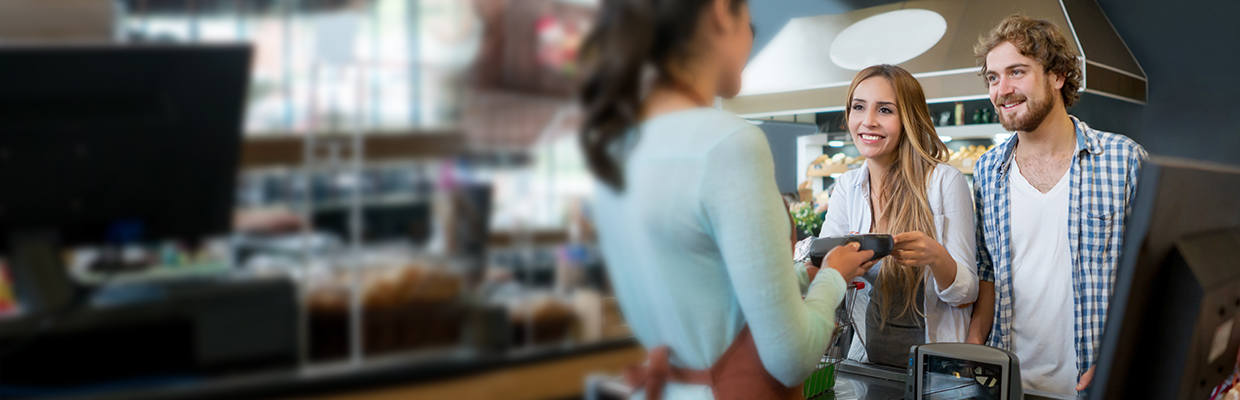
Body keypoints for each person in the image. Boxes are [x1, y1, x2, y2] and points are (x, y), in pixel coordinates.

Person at [578, 0, 877, 398]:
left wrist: (796, 279)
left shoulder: (617, 145)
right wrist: (832, 277)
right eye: (748, 20)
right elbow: (791, 357)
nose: (752, 37)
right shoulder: (728, 145)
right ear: (721, 10)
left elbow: (700, 290)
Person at [968, 14, 1147, 396]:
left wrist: (1123, 357)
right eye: (993, 78)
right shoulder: (986, 171)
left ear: (1058, 75)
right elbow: (987, 271)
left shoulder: (1123, 160)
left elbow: (1151, 278)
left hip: (1094, 383)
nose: (1003, 89)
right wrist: (972, 349)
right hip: (1009, 384)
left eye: (1017, 72)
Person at [807, 64, 979, 368]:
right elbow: (823, 264)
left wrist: (936, 256)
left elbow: (966, 294)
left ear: (908, 119)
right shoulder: (847, 187)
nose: (868, 121)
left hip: (935, 370)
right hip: (867, 362)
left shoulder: (943, 182)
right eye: (858, 107)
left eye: (885, 110)